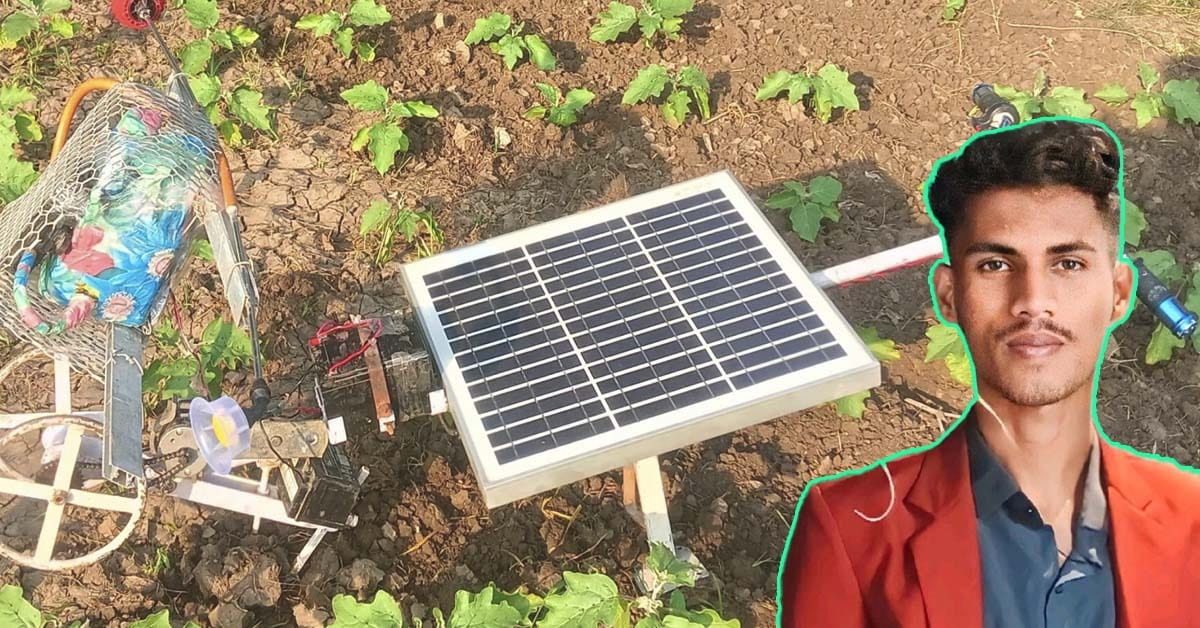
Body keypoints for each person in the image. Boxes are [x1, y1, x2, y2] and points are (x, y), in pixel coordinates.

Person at [776, 118, 1200, 628]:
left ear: (1118, 293)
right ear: (950, 295)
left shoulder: (1191, 523)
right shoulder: (853, 531)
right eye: (996, 265)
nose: (1032, 302)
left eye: (1067, 264)